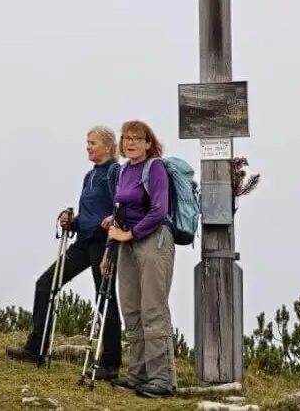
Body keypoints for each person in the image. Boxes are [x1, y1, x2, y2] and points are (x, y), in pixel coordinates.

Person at [4, 126, 124, 379]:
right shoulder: (89, 176)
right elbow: (89, 214)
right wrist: (72, 220)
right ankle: (35, 349)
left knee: (104, 298)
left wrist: (112, 219)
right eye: (87, 142)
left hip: (104, 244)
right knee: (45, 284)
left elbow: (120, 206)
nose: (88, 147)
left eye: (93, 143)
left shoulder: (114, 172)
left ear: (108, 146)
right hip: (83, 241)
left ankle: (110, 364)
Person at [104, 119, 177, 398]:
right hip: (126, 244)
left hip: (153, 241)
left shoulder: (155, 167)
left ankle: (162, 379)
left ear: (149, 143)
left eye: (137, 138)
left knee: (152, 309)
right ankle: (138, 374)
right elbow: (119, 210)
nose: (131, 143)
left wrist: (130, 234)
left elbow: (159, 210)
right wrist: (112, 244)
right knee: (132, 309)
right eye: (126, 138)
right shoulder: (123, 170)